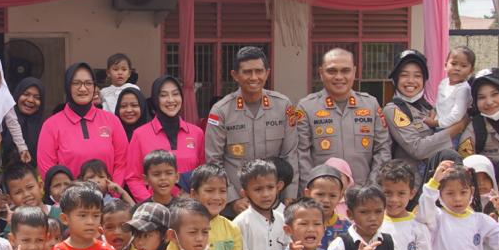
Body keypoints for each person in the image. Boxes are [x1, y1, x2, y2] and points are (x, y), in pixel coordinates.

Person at [205, 46, 300, 210]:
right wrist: (232, 199)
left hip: (274, 201)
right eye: (247, 72)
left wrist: (290, 196)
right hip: (238, 204)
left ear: (267, 73)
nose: (254, 77)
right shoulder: (220, 111)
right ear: (235, 75)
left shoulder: (283, 105)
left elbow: (290, 154)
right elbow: (214, 161)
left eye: (259, 71)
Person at [297, 48, 392, 186]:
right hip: (323, 196)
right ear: (321, 73)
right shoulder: (306, 107)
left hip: (363, 193)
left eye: (345, 71)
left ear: (354, 72)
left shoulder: (370, 104)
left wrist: (372, 187)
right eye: (332, 71)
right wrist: (313, 189)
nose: (339, 77)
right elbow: (301, 155)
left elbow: (382, 149)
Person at [38, 63, 128, 183]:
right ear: (67, 86)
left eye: (88, 83)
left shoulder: (111, 121)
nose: (83, 88)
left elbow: (122, 162)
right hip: (68, 199)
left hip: (108, 198)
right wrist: (69, 197)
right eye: (76, 83)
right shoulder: (51, 125)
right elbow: (47, 168)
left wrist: (113, 193)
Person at [384, 50, 466, 179]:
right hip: (412, 188)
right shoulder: (393, 110)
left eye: (417, 76)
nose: (411, 81)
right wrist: (455, 129)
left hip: (440, 182)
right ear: (395, 79)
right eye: (404, 75)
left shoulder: (428, 107)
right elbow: (418, 149)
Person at [123, 76, 206, 202]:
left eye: (175, 94)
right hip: (156, 209)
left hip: (190, 210)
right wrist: (151, 204)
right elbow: (133, 178)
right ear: (155, 99)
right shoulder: (140, 135)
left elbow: (203, 174)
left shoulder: (197, 133)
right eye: (164, 95)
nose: (171, 100)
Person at [3, 77, 46, 169]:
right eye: (26, 94)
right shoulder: (2, 122)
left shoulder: (46, 128)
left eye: (37, 97)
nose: (30, 100)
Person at [434, 47, 475, 131]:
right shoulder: (443, 83)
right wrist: (433, 114)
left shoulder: (464, 89)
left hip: (453, 130)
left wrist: (437, 123)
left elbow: (457, 115)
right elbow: (438, 104)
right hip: (438, 126)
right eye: (453, 63)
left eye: (463, 66)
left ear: (471, 71)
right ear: (445, 66)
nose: (457, 68)